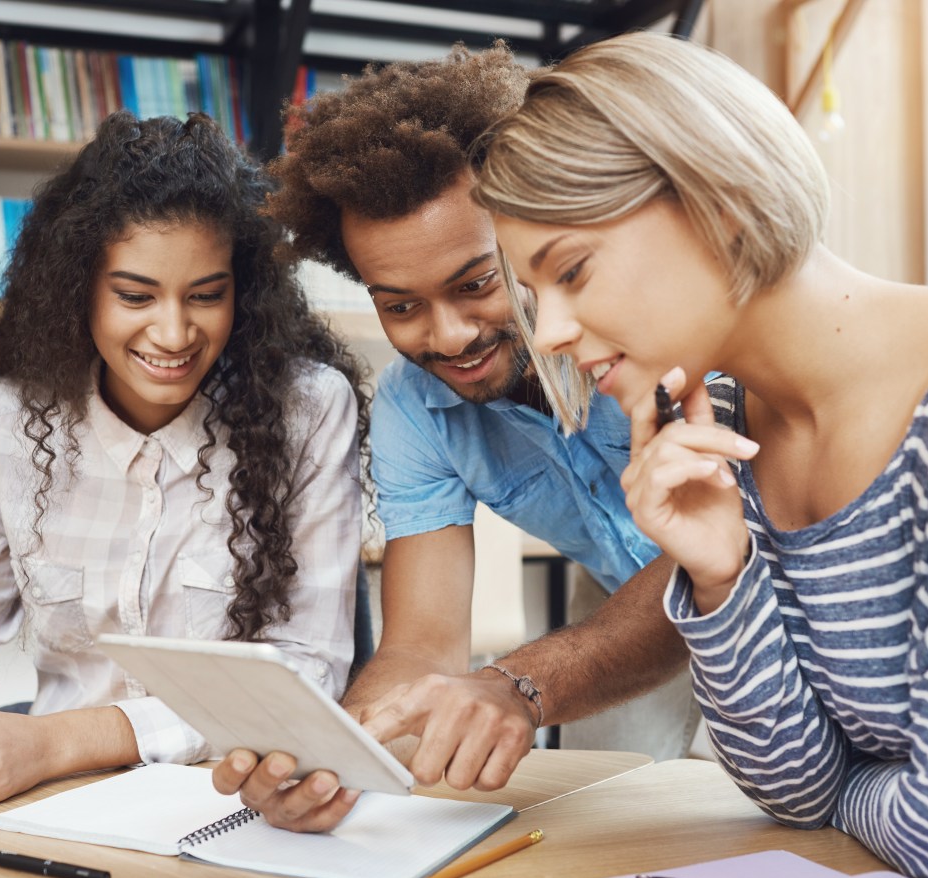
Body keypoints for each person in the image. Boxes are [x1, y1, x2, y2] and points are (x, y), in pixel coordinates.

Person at [474, 31, 928, 878]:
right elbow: (794, 791)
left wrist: (849, 791)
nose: (548, 336)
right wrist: (721, 577)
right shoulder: (725, 428)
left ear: (717, 202)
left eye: (571, 271)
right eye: (536, 298)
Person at [212, 44, 697, 833]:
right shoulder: (412, 413)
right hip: (617, 598)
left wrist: (518, 683)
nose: (449, 336)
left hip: (769, 582)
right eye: (400, 306)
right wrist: (334, 759)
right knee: (616, 828)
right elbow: (422, 649)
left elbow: (714, 560)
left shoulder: (651, 332)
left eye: (476, 284)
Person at [0, 111, 368, 812]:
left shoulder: (309, 410)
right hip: (56, 797)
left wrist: (57, 742)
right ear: (76, 287)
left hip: (235, 801)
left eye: (207, 295)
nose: (174, 333)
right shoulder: (4, 419)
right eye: (134, 296)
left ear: (243, 293)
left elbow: (307, 668)